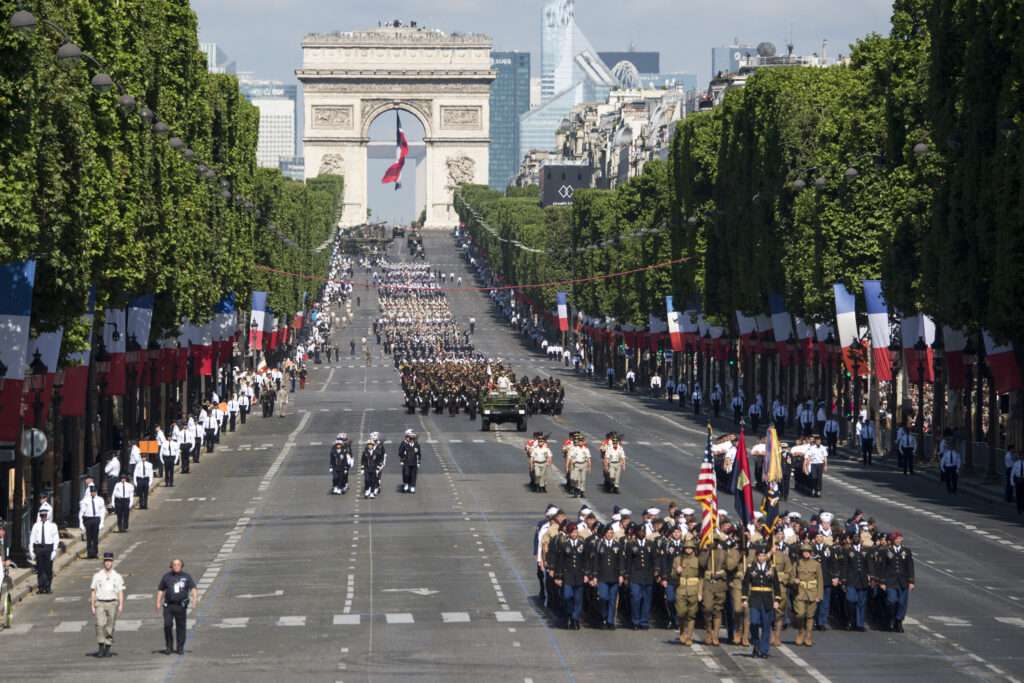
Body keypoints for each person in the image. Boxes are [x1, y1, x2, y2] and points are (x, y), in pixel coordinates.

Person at [742, 543, 781, 659]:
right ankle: (756, 644)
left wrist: (777, 599)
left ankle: (764, 650)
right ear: (756, 556)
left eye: (763, 555)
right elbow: (745, 584)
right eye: (759, 555)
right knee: (754, 622)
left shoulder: (771, 568)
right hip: (755, 599)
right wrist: (744, 598)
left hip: (767, 599)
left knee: (766, 625)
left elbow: (776, 584)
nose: (762, 558)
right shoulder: (751, 567)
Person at [156, 558, 198, 655]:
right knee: (167, 625)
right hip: (168, 606)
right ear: (171, 566)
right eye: (174, 564)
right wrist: (158, 602)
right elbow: (161, 589)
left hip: (181, 606)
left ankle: (180, 647)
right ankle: (169, 647)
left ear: (182, 566)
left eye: (178, 564)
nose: (176, 566)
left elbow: (193, 588)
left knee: (181, 627)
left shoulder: (186, 576)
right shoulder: (166, 576)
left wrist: (194, 599)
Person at [587, 523, 623, 629]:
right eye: (608, 533)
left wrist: (621, 575)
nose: (610, 535)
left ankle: (610, 621)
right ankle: (604, 615)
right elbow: (595, 561)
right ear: (604, 534)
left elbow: (621, 561)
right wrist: (594, 576)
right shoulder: (599, 545)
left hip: (614, 576)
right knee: (603, 597)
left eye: (611, 533)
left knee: (612, 599)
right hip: (602, 577)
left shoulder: (618, 545)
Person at [90, 552, 125, 658]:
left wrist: (121, 604)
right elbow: (93, 590)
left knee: (110, 625)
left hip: (112, 603)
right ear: (103, 562)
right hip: (100, 602)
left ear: (112, 562)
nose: (108, 563)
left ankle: (108, 647)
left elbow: (120, 591)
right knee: (100, 624)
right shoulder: (97, 576)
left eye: (109, 561)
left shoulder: (117, 576)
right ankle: (101, 645)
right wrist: (92, 605)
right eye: (106, 561)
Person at [553, 523, 587, 629]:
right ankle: (570, 613)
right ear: (568, 533)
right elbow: (560, 561)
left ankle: (575, 618)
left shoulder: (582, 544)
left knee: (578, 599)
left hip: (579, 575)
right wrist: (558, 577)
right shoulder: (564, 545)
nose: (574, 534)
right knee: (567, 596)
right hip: (568, 575)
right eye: (572, 532)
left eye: (576, 532)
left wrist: (587, 574)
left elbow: (586, 560)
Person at [623, 524, 656, 630]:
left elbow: (655, 559)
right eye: (640, 531)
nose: (642, 533)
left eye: (643, 531)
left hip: (648, 576)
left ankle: (644, 621)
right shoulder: (631, 545)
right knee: (635, 599)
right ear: (636, 533)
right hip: (635, 576)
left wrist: (656, 571)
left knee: (646, 600)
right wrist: (626, 575)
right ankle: (635, 621)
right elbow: (628, 561)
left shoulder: (651, 544)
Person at [670, 537, 701, 645]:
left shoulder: (697, 560)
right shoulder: (678, 559)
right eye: (686, 548)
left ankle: (689, 636)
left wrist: (700, 592)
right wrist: (677, 572)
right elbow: (672, 575)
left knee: (692, 614)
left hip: (693, 589)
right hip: (681, 589)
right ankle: (682, 631)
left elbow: (701, 577)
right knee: (681, 613)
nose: (688, 550)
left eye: (690, 548)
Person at [881, 531, 914, 632]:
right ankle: (890, 619)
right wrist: (882, 581)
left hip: (903, 581)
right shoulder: (887, 551)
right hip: (891, 581)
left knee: (902, 603)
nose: (897, 540)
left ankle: (898, 621)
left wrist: (911, 581)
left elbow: (910, 566)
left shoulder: (906, 551)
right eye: (896, 539)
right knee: (891, 600)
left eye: (899, 538)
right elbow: (883, 567)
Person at [792, 543, 823, 647]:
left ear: (811, 553)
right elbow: (791, 577)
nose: (806, 553)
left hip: (812, 592)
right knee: (800, 614)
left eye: (808, 552)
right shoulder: (797, 563)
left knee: (810, 616)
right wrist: (794, 580)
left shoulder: (816, 564)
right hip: (800, 592)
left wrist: (819, 595)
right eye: (804, 552)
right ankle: (801, 632)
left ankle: (808, 635)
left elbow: (820, 580)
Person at [29, 509, 59, 594]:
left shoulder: (52, 526)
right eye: (42, 516)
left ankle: (48, 587)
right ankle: (41, 587)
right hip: (39, 548)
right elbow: (32, 538)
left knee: (48, 569)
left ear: (47, 516)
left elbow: (56, 538)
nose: (43, 517)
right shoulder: (36, 525)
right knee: (40, 569)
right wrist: (31, 550)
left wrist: (54, 550)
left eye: (45, 515)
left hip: (48, 547)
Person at [79, 485, 105, 559]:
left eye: (94, 492)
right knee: (89, 537)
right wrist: (81, 523)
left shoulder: (100, 499)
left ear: (96, 492)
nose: (93, 493)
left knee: (95, 537)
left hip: (96, 518)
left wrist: (102, 522)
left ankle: (95, 553)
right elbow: (81, 512)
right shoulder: (85, 500)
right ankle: (89, 553)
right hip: (88, 519)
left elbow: (102, 511)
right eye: (91, 492)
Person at [565, 434, 592, 498]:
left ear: (583, 442)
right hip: (576, 465)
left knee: (583, 479)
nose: (580, 442)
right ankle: (576, 489)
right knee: (575, 479)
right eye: (579, 441)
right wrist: (568, 466)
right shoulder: (575, 449)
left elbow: (588, 458)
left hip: (583, 464)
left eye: (581, 441)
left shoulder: (586, 449)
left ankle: (582, 492)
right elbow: (571, 457)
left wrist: (589, 467)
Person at [361, 432, 386, 499]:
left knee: (377, 477)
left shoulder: (380, 445)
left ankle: (376, 488)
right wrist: (363, 468)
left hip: (377, 464)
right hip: (369, 466)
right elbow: (364, 457)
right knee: (368, 479)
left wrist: (382, 463)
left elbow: (383, 455)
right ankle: (369, 489)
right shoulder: (368, 445)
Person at [398, 429, 422, 494]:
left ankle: (412, 486)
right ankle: (406, 484)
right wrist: (402, 460)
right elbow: (400, 453)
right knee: (406, 474)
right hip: (406, 462)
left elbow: (419, 454)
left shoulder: (416, 445)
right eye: (410, 438)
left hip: (414, 463)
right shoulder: (405, 444)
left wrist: (418, 462)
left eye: (413, 439)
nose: (411, 440)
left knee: (413, 475)